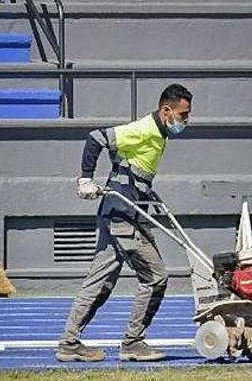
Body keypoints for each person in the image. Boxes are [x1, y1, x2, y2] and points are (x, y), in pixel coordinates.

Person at [56, 83, 193, 363]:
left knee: (100, 282)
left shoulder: (161, 133)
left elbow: (132, 167)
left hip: (125, 212)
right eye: (183, 114)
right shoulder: (143, 129)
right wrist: (85, 179)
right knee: (155, 278)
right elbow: (96, 138)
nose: (186, 121)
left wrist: (144, 189)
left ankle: (69, 344)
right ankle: (133, 342)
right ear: (167, 110)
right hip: (122, 215)